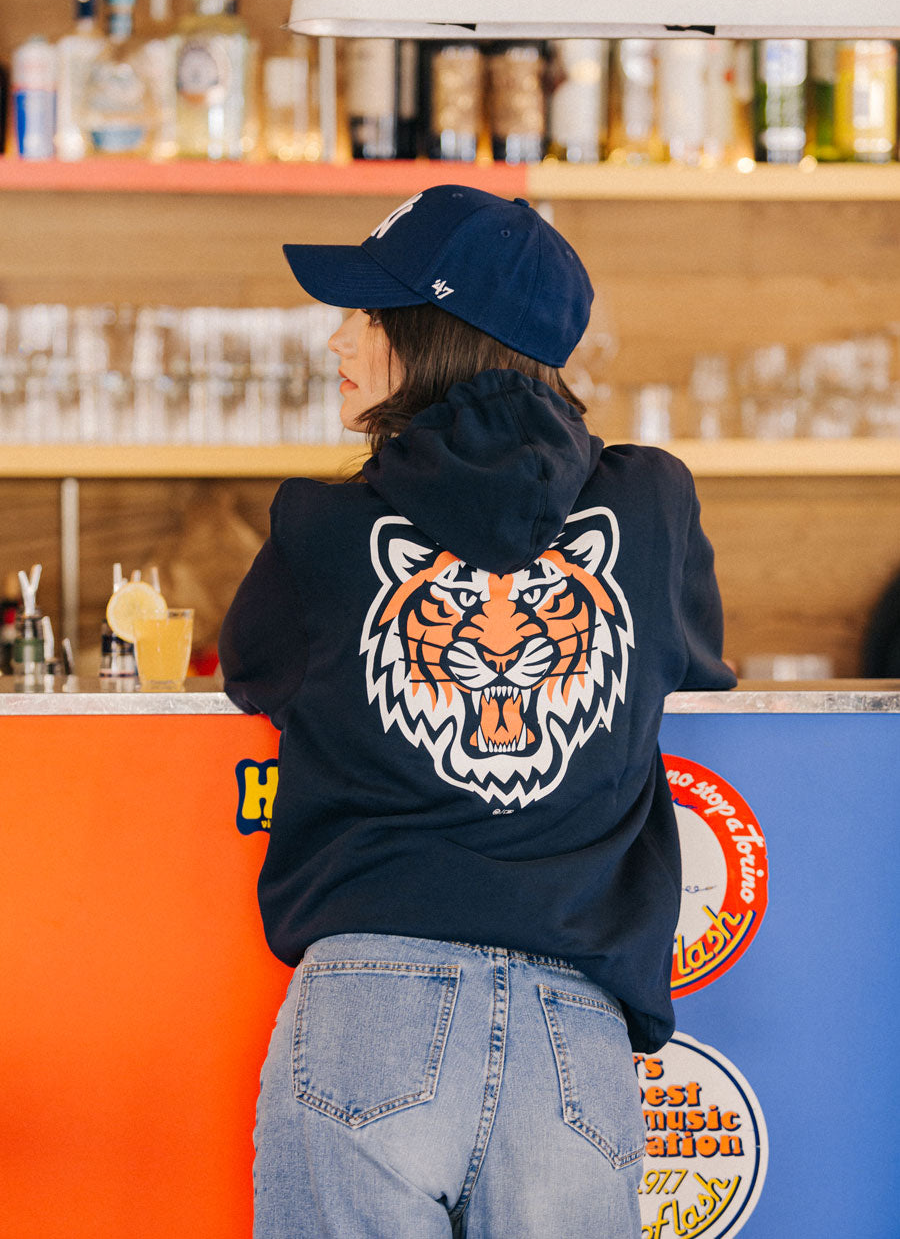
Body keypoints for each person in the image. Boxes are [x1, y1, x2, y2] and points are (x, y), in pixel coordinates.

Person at [219, 184, 736, 1239]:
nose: (335, 341)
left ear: (432, 332)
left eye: (363, 314)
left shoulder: (320, 526)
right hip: (574, 1031)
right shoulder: (652, 505)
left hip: (369, 1008)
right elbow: (697, 662)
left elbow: (250, 673)